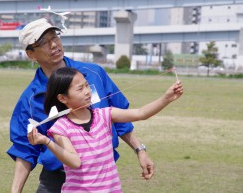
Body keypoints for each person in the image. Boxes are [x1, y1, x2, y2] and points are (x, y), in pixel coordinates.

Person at [7, 18, 154, 193]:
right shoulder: (30, 99)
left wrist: (140, 150)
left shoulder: (93, 74)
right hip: (56, 179)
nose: (54, 45)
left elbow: (119, 118)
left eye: (55, 37)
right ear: (31, 54)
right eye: (44, 43)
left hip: (101, 177)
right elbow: (25, 150)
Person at [28, 67, 183, 192]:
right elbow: (75, 162)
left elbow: (140, 113)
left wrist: (166, 99)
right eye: (80, 89)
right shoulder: (60, 128)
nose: (87, 91)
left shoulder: (104, 114)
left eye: (87, 85)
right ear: (63, 98)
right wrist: (46, 141)